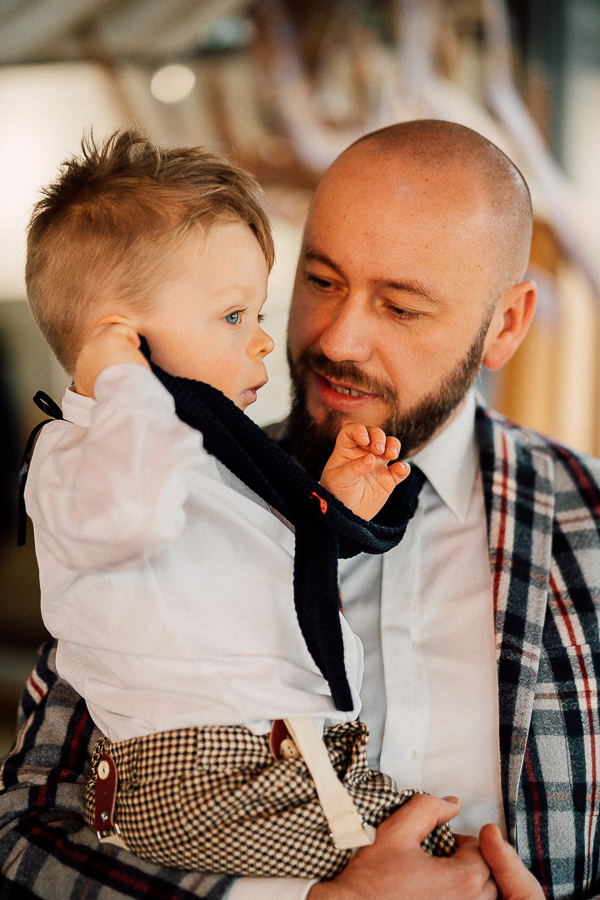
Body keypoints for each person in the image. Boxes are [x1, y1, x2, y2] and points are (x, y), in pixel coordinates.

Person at [2, 119, 598, 900]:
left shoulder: (589, 527)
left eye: (401, 307)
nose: (340, 340)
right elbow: (27, 831)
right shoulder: (165, 483)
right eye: (321, 281)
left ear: (507, 325)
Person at [16, 129, 449, 881]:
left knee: (446, 850)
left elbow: (242, 574)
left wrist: (328, 506)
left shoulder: (204, 456)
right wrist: (124, 383)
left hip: (280, 759)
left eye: (258, 316)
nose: (260, 343)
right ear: (121, 341)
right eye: (231, 317)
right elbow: (137, 516)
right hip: (195, 778)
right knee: (430, 865)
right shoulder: (79, 457)